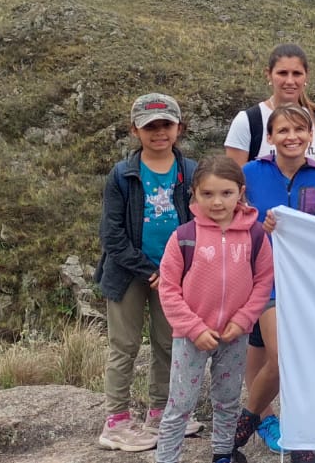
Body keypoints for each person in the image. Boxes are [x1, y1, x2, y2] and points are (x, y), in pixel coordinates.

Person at [233, 104, 315, 461]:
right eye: (283, 130)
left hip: (311, 283)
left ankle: (281, 436)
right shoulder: (250, 173)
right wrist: (255, 225)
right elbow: (228, 214)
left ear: (310, 136)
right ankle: (251, 427)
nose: (291, 137)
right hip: (267, 281)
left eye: (299, 130)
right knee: (282, 357)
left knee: (307, 362)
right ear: (270, 137)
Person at [97, 93, 202, 452]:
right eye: (150, 126)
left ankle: (160, 413)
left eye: (166, 125)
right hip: (128, 272)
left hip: (175, 273)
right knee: (124, 345)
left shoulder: (191, 172)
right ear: (135, 131)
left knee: (168, 343)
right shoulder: (122, 174)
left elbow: (204, 218)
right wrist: (148, 270)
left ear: (179, 128)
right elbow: (111, 234)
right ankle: (116, 422)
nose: (159, 132)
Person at [154, 157, 275, 463]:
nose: (217, 202)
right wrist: (194, 328)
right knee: (180, 405)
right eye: (207, 194)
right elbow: (168, 288)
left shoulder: (255, 236)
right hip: (191, 336)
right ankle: (167, 458)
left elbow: (264, 281)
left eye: (226, 193)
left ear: (241, 192)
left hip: (235, 335)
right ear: (194, 193)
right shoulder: (184, 237)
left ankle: (223, 454)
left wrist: (243, 320)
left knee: (228, 400)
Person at [224, 43, 315, 167]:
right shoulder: (247, 121)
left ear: (306, 75)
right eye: (282, 73)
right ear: (268, 74)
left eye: (297, 73)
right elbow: (233, 177)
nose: (290, 81)